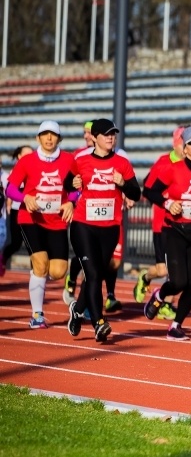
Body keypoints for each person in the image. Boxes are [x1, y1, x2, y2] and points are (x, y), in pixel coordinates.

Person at [64, 119, 141, 343]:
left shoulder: (122, 163)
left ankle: (77, 310)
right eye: (106, 134)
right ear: (95, 137)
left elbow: (135, 193)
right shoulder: (80, 159)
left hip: (109, 228)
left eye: (113, 134)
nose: (110, 137)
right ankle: (98, 322)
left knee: (95, 275)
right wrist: (74, 185)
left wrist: (123, 184)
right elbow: (67, 183)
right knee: (95, 274)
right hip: (83, 226)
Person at [142, 127, 191, 341]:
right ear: (184, 148)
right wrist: (167, 203)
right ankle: (160, 294)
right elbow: (149, 190)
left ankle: (176, 325)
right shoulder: (173, 169)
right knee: (179, 281)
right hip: (175, 231)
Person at [4, 121, 75, 327]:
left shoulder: (69, 160)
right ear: (38, 138)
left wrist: (71, 201)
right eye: (45, 134)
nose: (49, 138)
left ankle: (37, 275)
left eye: (53, 135)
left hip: (57, 221)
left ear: (59, 139)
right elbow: (10, 189)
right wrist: (25, 198)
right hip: (31, 218)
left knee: (59, 271)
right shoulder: (27, 161)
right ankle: (37, 315)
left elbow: (77, 186)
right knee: (41, 263)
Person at [132, 126, 190, 323]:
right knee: (163, 270)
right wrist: (166, 199)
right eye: (185, 142)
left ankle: (166, 304)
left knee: (178, 269)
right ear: (177, 144)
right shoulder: (165, 162)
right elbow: (148, 186)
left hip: (184, 225)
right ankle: (146, 277)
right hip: (162, 223)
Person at [1, 145, 34, 274]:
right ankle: (3, 258)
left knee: (33, 244)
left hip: (32, 210)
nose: (30, 156)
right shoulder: (16, 170)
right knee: (15, 243)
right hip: (17, 210)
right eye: (26, 154)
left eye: (32, 153)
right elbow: (10, 190)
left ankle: (36, 271)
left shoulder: (36, 168)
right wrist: (8, 206)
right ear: (19, 156)